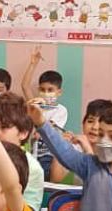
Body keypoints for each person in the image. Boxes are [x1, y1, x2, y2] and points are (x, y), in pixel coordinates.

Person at [21, 46, 69, 179]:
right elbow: (25, 86)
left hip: (48, 155)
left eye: (50, 90)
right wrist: (33, 64)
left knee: (44, 177)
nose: (46, 93)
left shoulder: (60, 110)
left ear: (59, 92)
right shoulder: (35, 105)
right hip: (31, 153)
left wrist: (39, 112)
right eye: (42, 89)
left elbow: (49, 126)